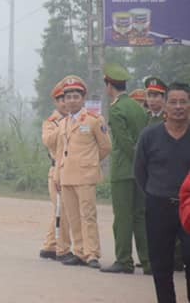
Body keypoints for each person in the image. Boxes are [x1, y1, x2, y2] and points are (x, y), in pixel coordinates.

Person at [135, 82, 190, 303]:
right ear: (165, 106)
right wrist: (156, 192)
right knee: (161, 265)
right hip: (158, 207)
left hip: (189, 209)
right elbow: (140, 172)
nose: (179, 107)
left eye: (183, 102)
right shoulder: (150, 136)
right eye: (173, 102)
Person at [54, 75, 112, 269]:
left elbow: (105, 147)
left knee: (88, 215)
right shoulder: (63, 123)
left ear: (83, 98)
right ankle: (79, 252)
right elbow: (60, 152)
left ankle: (92, 253)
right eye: (68, 96)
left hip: (86, 176)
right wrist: (57, 175)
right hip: (67, 175)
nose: (71, 100)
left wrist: (91, 163)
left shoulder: (95, 120)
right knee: (73, 216)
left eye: (75, 96)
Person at [100, 63, 151, 275]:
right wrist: (143, 166)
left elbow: (123, 142)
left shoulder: (116, 109)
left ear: (109, 85)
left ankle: (124, 260)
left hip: (123, 172)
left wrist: (136, 161)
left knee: (122, 217)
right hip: (141, 173)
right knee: (140, 216)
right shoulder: (139, 108)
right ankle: (149, 262)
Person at [40, 80, 72, 261]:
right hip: (56, 170)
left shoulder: (78, 120)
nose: (65, 104)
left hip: (73, 169)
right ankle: (60, 248)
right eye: (61, 100)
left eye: (67, 99)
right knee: (62, 210)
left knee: (61, 210)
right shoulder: (51, 122)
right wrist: (63, 126)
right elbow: (48, 141)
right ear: (56, 103)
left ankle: (50, 246)